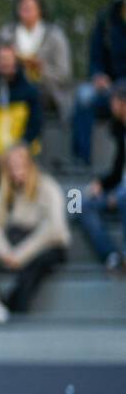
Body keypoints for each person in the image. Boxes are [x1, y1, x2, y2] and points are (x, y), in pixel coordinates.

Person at [0, 144, 70, 321]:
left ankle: (13, 309)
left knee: (35, 265)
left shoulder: (48, 187)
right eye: (12, 165)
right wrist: (5, 253)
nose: (17, 170)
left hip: (46, 243)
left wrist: (21, 255)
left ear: (30, 164)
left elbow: (55, 229)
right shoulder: (2, 189)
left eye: (21, 164)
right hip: (14, 240)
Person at [72, 0, 126, 166]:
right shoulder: (105, 19)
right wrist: (98, 75)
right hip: (110, 87)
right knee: (84, 97)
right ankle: (79, 160)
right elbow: (95, 56)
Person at [0, 0, 73, 123]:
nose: (26, 7)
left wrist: (40, 68)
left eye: (30, 5)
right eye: (22, 4)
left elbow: (64, 74)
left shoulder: (55, 36)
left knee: (32, 94)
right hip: (11, 88)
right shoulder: (6, 35)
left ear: (40, 9)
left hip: (47, 92)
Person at [77, 82, 126, 273]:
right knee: (80, 203)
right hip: (119, 190)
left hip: (123, 195)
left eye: (114, 101)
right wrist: (100, 184)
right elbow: (117, 171)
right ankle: (112, 255)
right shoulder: (120, 130)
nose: (110, 105)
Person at [0, 39, 43, 161]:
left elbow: (35, 126)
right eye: (1, 59)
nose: (5, 63)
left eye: (8, 59)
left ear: (16, 61)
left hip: (24, 158)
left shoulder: (30, 92)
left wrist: (20, 149)